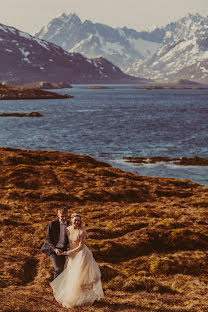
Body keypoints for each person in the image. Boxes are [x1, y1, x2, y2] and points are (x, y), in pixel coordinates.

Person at [50, 213, 104, 308]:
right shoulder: (68, 229)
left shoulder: (82, 232)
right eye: (75, 220)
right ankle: (70, 296)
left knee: (79, 277)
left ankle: (82, 299)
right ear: (71, 220)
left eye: (78, 220)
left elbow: (80, 247)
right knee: (70, 275)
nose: (77, 222)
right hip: (72, 254)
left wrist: (67, 253)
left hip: (81, 255)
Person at [40, 207, 70, 279]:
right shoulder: (52, 224)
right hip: (53, 250)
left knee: (66, 270)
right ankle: (56, 289)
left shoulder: (70, 224)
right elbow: (48, 239)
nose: (64, 218)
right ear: (58, 215)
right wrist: (55, 249)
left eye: (66, 216)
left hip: (65, 250)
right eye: (62, 216)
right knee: (58, 269)